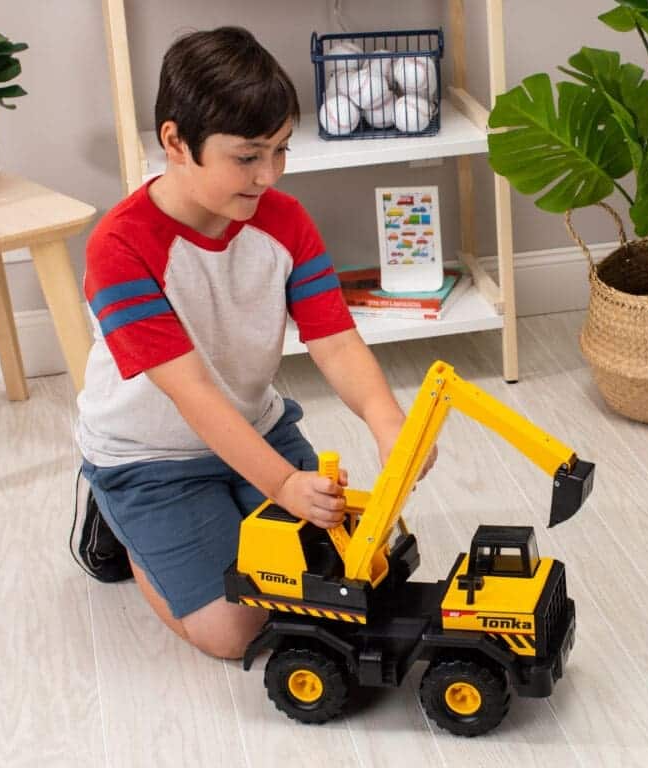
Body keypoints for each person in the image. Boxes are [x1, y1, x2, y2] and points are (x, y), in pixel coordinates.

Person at [71, 26, 435, 660]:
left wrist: (389, 423)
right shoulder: (121, 248)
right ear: (176, 142)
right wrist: (283, 487)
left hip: (256, 429)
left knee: (333, 578)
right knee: (235, 632)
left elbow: (337, 342)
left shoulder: (285, 222)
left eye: (281, 150)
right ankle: (123, 526)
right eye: (247, 156)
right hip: (150, 457)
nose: (268, 175)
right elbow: (192, 396)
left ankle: (216, 515)